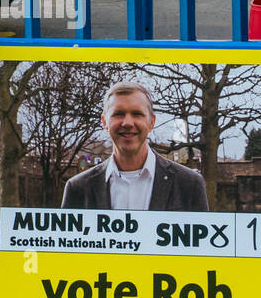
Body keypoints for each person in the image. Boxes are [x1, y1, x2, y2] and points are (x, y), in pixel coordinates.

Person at [61, 81, 210, 211]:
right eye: (118, 113)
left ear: (151, 122)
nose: (127, 123)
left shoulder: (190, 185)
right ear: (104, 122)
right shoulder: (78, 188)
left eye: (137, 114)